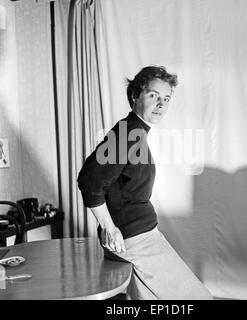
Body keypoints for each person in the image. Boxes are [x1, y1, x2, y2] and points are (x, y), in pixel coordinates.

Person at [77, 65, 213, 300]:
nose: (161, 105)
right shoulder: (129, 133)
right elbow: (90, 180)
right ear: (134, 96)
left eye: (166, 98)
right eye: (153, 95)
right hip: (136, 239)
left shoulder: (135, 133)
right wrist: (110, 229)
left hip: (139, 236)